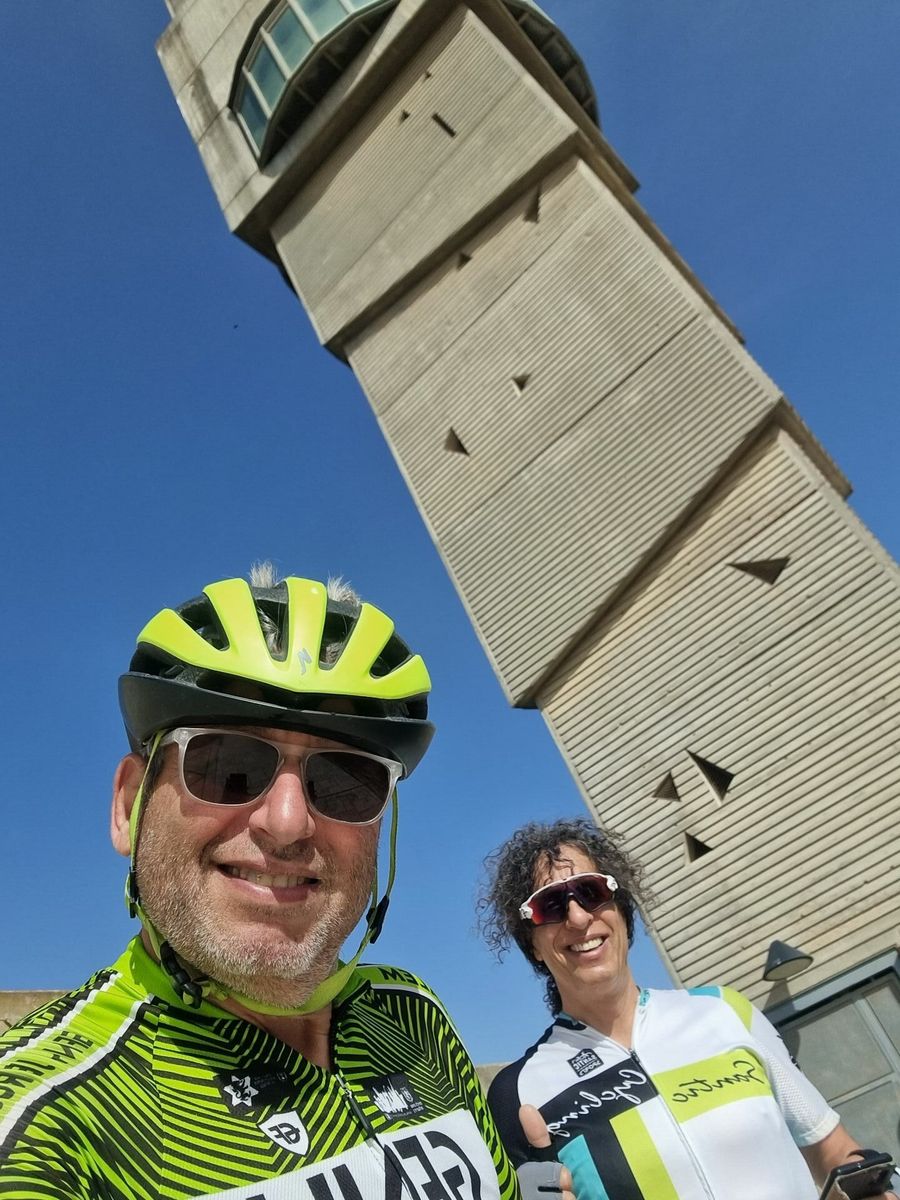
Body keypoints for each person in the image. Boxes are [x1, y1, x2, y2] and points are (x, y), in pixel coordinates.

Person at [0, 567, 535, 1200]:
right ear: (127, 808)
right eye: (225, 764)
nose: (286, 823)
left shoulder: (415, 1016)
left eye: (345, 781)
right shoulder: (44, 1121)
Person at [478, 817, 899, 1200]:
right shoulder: (519, 1094)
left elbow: (834, 1150)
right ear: (532, 943)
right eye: (550, 905)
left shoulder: (724, 1012)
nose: (578, 917)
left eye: (590, 891)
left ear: (621, 910)